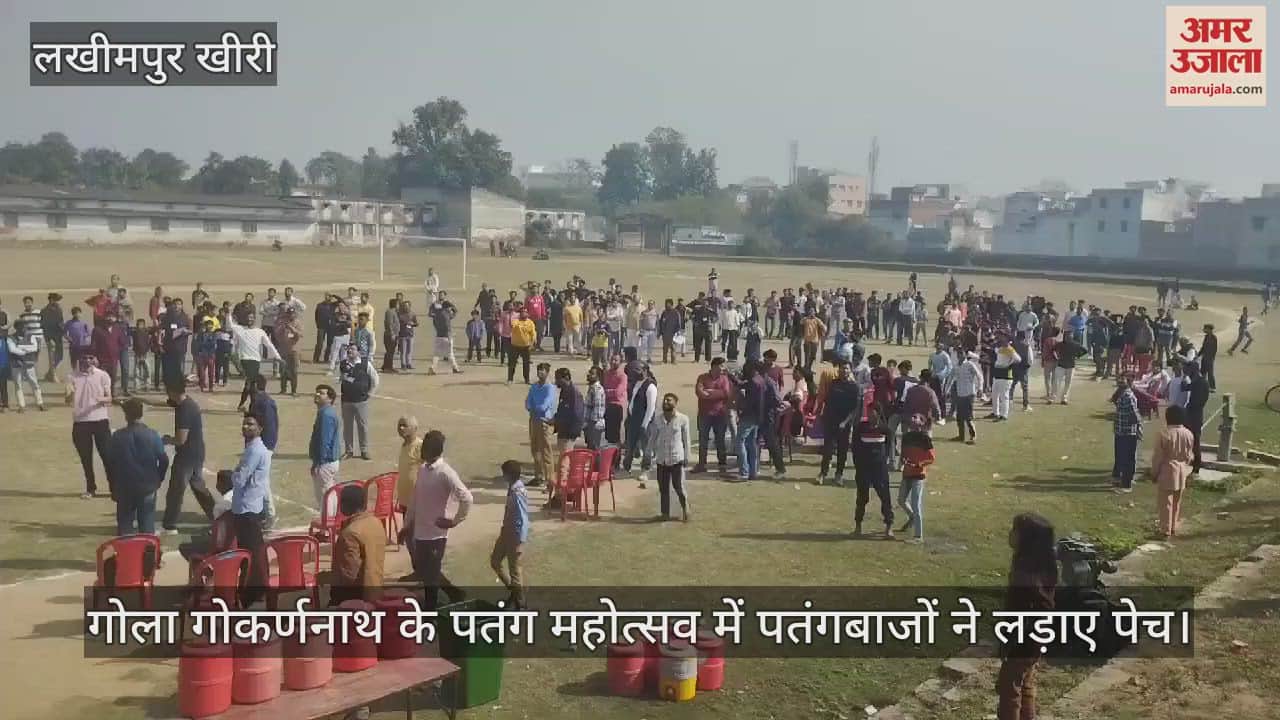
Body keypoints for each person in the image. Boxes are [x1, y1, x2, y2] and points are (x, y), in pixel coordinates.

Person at [997, 513, 1058, 720]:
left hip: (1024, 636)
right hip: (1038, 634)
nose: (1010, 534)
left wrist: (1010, 639)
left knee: (1009, 687)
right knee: (1026, 681)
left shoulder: (1024, 573)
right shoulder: (1043, 564)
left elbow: (1019, 609)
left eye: (1015, 531)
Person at [402, 430, 471, 611]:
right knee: (425, 571)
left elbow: (467, 498)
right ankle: (453, 593)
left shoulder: (445, 473)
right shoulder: (423, 470)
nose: (422, 451)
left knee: (430, 575)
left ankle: (431, 610)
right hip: (420, 531)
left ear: (434, 450)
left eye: (425, 448)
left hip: (435, 535)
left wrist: (455, 521)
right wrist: (407, 524)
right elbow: (415, 499)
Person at [107, 397, 169, 536]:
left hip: (125, 487)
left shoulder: (117, 437)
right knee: (147, 526)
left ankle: (126, 555)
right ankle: (148, 555)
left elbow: (110, 465)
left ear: (126, 415)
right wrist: (158, 479)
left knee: (124, 527)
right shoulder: (152, 435)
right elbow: (163, 460)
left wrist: (113, 486)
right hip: (147, 485)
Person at [228, 414, 272, 607]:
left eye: (251, 424)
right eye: (245, 423)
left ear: (260, 428)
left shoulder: (254, 451)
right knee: (253, 553)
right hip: (250, 507)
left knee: (251, 554)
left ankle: (254, 593)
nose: (246, 427)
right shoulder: (253, 449)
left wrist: (234, 473)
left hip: (247, 509)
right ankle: (254, 591)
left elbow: (239, 479)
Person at [162, 379, 217, 533]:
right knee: (199, 487)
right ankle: (218, 517)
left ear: (172, 392)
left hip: (186, 456)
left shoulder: (184, 410)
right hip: (197, 452)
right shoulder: (186, 403)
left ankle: (169, 526)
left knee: (175, 491)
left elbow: (180, 440)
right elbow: (163, 404)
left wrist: (167, 440)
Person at [66, 354, 114, 499]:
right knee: (86, 458)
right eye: (83, 358)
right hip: (81, 421)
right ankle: (90, 488)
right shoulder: (71, 377)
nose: (87, 361)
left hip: (100, 420)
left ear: (94, 360)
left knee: (107, 456)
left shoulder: (102, 375)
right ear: (78, 360)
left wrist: (102, 399)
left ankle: (114, 488)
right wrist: (70, 394)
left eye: (90, 357)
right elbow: (67, 400)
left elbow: (110, 398)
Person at [330, 483, 386, 604]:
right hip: (376, 587)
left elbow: (349, 575)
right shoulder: (376, 522)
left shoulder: (350, 533)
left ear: (345, 505)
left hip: (357, 596)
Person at [1150, 405, 1194, 540]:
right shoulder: (1188, 433)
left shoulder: (1164, 433)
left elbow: (1158, 456)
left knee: (1165, 502)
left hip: (1168, 469)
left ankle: (1165, 530)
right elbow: (1189, 455)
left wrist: (1154, 472)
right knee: (1176, 501)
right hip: (1182, 470)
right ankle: (1173, 525)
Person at [647, 392, 692, 521]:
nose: (666, 402)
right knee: (663, 488)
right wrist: (648, 453)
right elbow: (652, 438)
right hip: (662, 459)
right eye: (665, 400)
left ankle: (686, 509)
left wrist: (687, 456)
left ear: (675, 403)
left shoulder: (683, 419)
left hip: (677, 458)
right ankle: (664, 514)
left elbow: (686, 440)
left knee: (679, 486)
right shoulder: (657, 419)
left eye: (669, 400)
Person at [816, 358, 862, 486]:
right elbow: (827, 401)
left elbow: (855, 409)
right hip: (830, 420)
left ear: (850, 370)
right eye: (842, 368)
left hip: (844, 424)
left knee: (842, 451)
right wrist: (823, 415)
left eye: (847, 368)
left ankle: (839, 475)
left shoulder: (854, 387)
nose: (844, 370)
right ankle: (823, 473)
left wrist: (845, 422)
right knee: (827, 449)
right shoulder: (833, 383)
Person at [225, 310, 282, 411]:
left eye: (252, 317)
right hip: (245, 360)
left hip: (256, 360)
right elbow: (230, 326)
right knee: (251, 382)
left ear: (255, 319)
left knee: (250, 383)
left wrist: (278, 357)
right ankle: (251, 405)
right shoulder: (240, 329)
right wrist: (228, 313)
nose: (250, 319)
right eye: (248, 318)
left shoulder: (260, 332)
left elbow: (269, 345)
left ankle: (243, 404)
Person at [492, 460, 530, 608]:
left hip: (514, 535)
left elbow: (522, 517)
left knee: (515, 571)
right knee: (495, 561)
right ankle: (514, 591)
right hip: (506, 532)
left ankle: (521, 604)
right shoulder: (514, 488)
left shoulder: (517, 492)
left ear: (508, 475)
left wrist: (520, 540)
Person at [851, 409, 894, 538]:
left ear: (879, 415)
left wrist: (884, 460)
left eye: (873, 415)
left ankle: (889, 526)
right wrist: (858, 465)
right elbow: (855, 447)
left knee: (885, 496)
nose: (871, 418)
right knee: (862, 497)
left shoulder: (885, 430)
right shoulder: (860, 428)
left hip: (879, 468)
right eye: (869, 415)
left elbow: (888, 446)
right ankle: (858, 526)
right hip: (863, 468)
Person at [693, 358, 734, 475]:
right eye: (721, 366)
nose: (723, 368)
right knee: (703, 440)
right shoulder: (702, 377)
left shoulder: (724, 379)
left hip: (720, 414)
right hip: (704, 414)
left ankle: (722, 464)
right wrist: (717, 393)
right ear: (714, 366)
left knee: (720, 440)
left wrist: (709, 392)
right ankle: (702, 464)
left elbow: (726, 393)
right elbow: (699, 392)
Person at [551, 367, 585, 507]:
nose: (556, 381)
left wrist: (571, 433)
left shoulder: (573, 393)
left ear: (566, 378)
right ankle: (568, 492)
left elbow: (577, 415)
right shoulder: (566, 391)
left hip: (568, 434)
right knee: (565, 464)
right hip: (564, 432)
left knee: (563, 465)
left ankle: (560, 496)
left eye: (558, 378)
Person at [339, 344, 378, 461]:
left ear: (359, 352)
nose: (350, 350)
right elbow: (338, 378)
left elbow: (375, 378)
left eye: (353, 349)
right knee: (347, 427)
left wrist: (371, 392)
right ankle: (348, 450)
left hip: (361, 401)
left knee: (363, 426)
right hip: (346, 401)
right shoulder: (342, 364)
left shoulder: (365, 364)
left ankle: (364, 450)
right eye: (349, 349)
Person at [898, 421, 935, 543]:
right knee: (901, 500)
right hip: (907, 473)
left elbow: (931, 458)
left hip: (919, 475)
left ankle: (918, 536)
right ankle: (912, 517)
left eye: (917, 420)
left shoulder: (925, 439)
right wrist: (903, 461)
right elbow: (903, 453)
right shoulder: (906, 437)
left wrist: (919, 464)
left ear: (921, 425)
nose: (914, 422)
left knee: (916, 504)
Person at [525, 363, 558, 488]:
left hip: (544, 421)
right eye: (539, 371)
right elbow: (528, 402)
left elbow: (546, 404)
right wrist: (531, 408)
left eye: (542, 371)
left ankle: (549, 478)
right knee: (535, 449)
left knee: (546, 450)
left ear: (547, 372)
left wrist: (534, 408)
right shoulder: (534, 386)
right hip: (534, 419)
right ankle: (538, 476)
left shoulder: (550, 388)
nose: (540, 373)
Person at [309, 384, 342, 506]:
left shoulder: (325, 415)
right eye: (317, 392)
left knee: (324, 498)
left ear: (330, 399)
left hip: (325, 463)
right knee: (329, 495)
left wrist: (318, 463)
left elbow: (325, 441)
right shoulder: (325, 413)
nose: (317, 394)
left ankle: (329, 522)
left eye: (322, 393)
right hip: (329, 461)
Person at [625, 364, 659, 482]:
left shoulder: (650, 386)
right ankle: (626, 468)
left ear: (645, 371)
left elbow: (651, 408)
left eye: (638, 370)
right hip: (633, 420)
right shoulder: (635, 383)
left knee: (646, 448)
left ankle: (645, 470)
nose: (635, 373)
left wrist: (644, 425)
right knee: (630, 445)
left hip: (646, 422)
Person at [1112, 375, 1143, 493]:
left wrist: (1138, 430)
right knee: (1122, 457)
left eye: (1123, 379)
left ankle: (1126, 485)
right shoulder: (1122, 394)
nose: (1119, 381)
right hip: (1121, 431)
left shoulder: (1128, 396)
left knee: (1128, 459)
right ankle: (1123, 480)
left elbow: (1135, 416)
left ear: (1129, 382)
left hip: (1128, 433)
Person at [7, 327, 44, 412]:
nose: (24, 330)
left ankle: (40, 403)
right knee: (19, 385)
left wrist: (20, 348)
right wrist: (26, 351)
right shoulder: (11, 338)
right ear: (18, 328)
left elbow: (34, 348)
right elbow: (12, 350)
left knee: (34, 383)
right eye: (22, 328)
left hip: (26, 364)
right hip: (18, 364)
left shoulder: (30, 336)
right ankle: (21, 406)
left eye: (25, 329)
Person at [395, 416, 424, 520]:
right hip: (405, 500)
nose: (401, 428)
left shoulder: (420, 446)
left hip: (416, 501)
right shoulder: (404, 446)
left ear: (414, 428)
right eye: (399, 425)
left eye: (405, 425)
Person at [1183, 363, 1210, 476]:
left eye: (1188, 371)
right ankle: (1189, 463)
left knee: (1195, 442)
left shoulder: (1200, 383)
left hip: (1194, 416)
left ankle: (1196, 466)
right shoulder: (1197, 381)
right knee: (1188, 441)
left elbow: (1197, 402)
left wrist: (1188, 407)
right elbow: (1184, 388)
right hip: (1192, 414)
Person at [428, 292, 462, 375]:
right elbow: (455, 311)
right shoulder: (447, 315)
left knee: (436, 353)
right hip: (447, 336)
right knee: (450, 354)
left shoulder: (436, 314)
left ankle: (432, 367)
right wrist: (451, 305)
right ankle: (455, 368)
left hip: (438, 335)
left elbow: (431, 315)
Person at [274, 307, 303, 396]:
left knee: (294, 371)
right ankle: (283, 389)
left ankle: (294, 390)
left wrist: (291, 328)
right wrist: (283, 327)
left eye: (292, 314)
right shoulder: (282, 322)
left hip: (294, 350)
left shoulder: (297, 323)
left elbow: (300, 334)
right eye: (289, 314)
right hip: (284, 350)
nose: (291, 315)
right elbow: (276, 334)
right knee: (283, 371)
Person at [507, 308, 536, 385]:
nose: (524, 313)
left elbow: (533, 334)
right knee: (512, 363)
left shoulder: (530, 322)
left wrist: (532, 343)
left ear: (527, 314)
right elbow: (512, 325)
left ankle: (527, 379)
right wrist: (510, 317)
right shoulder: (516, 321)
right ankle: (510, 379)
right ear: (520, 314)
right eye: (522, 312)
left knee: (526, 364)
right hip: (515, 346)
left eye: (525, 312)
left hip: (526, 346)